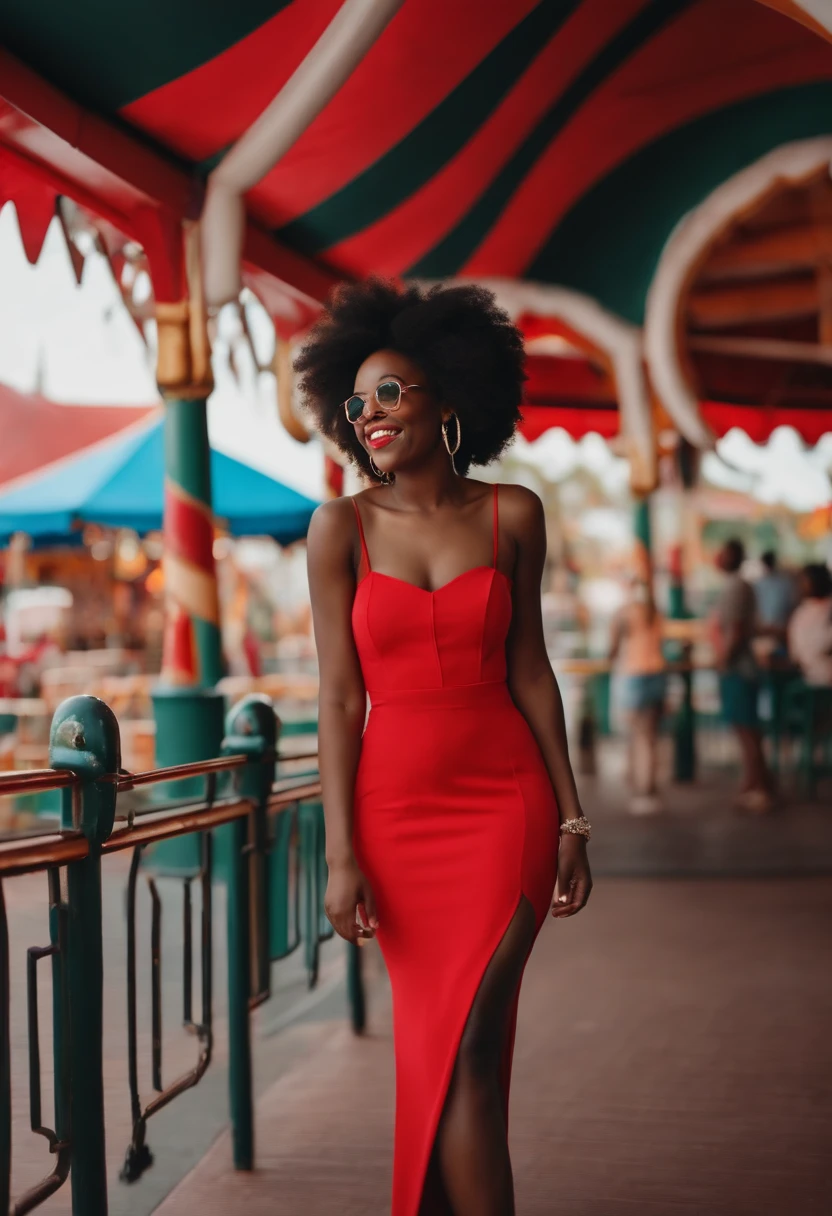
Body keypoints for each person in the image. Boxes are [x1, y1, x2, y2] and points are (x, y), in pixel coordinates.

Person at [300, 279, 592, 1216]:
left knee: (471, 1036)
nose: (371, 414)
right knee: (450, 1046)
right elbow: (340, 699)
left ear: (451, 396)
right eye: (357, 402)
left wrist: (575, 815)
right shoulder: (337, 528)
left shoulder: (515, 515)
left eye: (392, 392)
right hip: (394, 817)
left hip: (506, 804)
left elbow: (534, 673)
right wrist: (340, 852)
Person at [712, 539, 772, 813]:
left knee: (746, 730)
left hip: (739, 669)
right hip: (743, 668)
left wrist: (723, 660)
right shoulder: (740, 585)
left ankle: (758, 789)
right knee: (749, 729)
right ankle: (756, 784)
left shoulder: (736, 586)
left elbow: (735, 629)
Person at [609, 575, 666, 814]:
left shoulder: (623, 613)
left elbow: (612, 649)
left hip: (633, 675)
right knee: (649, 736)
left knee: (637, 735)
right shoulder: (656, 611)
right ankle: (648, 785)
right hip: (656, 674)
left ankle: (642, 789)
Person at [788, 563, 832, 686]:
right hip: (810, 680)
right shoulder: (802, 612)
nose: (802, 585)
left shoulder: (829, 608)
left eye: (805, 580)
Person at [754, 549, 797, 658]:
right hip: (766, 630)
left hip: (780, 630)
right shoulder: (759, 584)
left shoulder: (784, 583)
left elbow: (790, 607)